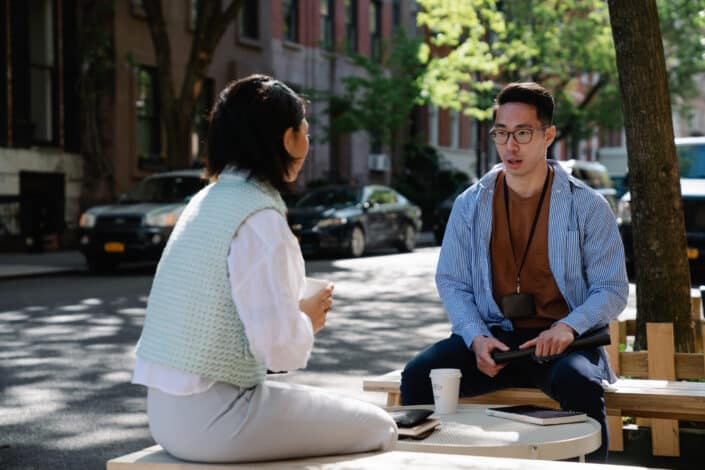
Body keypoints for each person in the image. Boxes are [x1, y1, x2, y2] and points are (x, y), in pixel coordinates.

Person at [132, 74, 397, 463]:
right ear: (287, 139)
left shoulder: (207, 200)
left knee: (331, 409)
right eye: (305, 131)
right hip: (217, 421)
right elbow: (279, 352)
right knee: (381, 428)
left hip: (165, 415)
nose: (308, 145)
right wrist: (306, 318)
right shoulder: (260, 219)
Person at [400, 82, 628, 462]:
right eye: (501, 133)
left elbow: (612, 289)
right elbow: (452, 282)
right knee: (418, 374)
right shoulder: (470, 204)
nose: (511, 145)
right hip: (494, 340)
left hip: (560, 342)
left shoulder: (587, 206)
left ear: (548, 136)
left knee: (580, 384)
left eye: (523, 133)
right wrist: (475, 337)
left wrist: (568, 327)